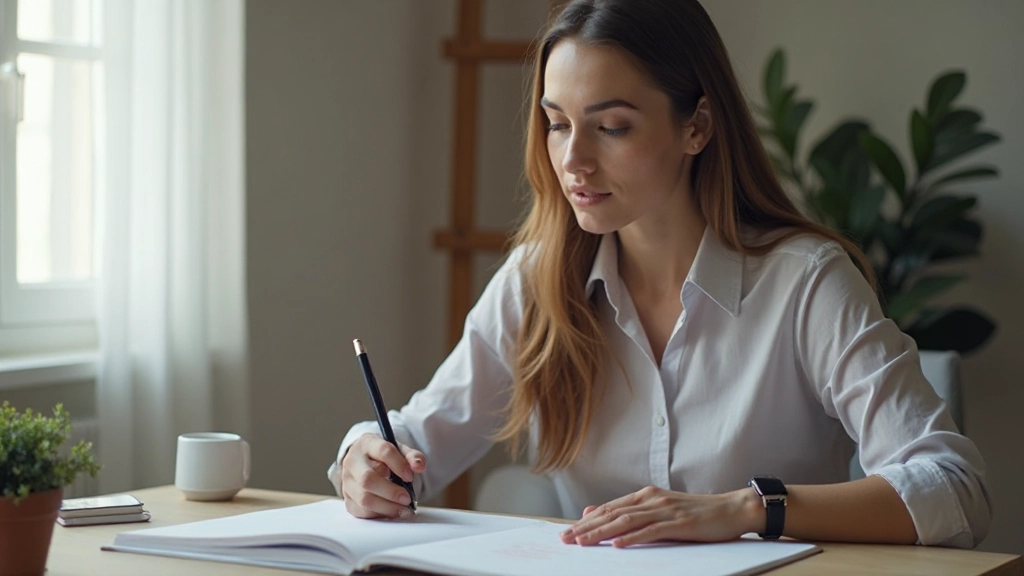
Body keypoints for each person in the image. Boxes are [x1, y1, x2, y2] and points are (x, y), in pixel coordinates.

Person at [328, 0, 990, 549]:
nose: (574, 160)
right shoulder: (539, 280)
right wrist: (368, 461)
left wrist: (745, 509)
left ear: (696, 126)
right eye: (557, 125)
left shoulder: (805, 283)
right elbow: (414, 442)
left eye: (611, 126)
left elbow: (953, 486)